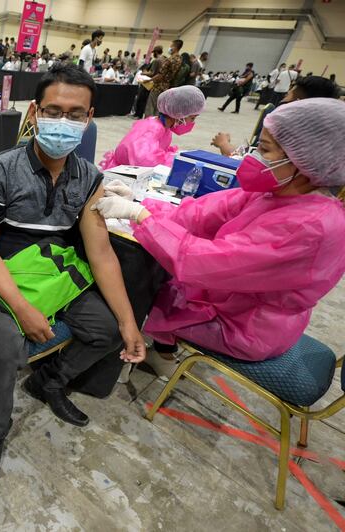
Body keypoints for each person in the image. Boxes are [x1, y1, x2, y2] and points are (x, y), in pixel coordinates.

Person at [0, 63, 146, 493]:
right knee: (6, 347)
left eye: (76, 114)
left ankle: (49, 381)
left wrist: (128, 321)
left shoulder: (88, 178)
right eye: (53, 110)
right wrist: (22, 310)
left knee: (107, 329)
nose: (64, 122)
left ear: (89, 117)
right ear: (33, 112)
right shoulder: (1, 170)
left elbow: (100, 254)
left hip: (50, 272)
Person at [92, 98, 345, 379]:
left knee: (140, 291)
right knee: (150, 276)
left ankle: (149, 357)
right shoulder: (276, 190)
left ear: (306, 161)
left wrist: (141, 217)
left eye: (264, 149)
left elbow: (203, 263)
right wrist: (141, 204)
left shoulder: (309, 227)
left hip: (245, 324)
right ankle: (162, 350)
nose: (252, 157)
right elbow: (200, 213)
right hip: (228, 297)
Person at [212, 75, 342, 156]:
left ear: (297, 103)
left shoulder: (285, 134)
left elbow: (248, 163)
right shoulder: (328, 146)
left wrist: (224, 144)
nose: (283, 100)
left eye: (287, 95)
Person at [100, 85, 205, 170]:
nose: (192, 123)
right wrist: (173, 160)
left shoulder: (166, 128)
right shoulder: (152, 129)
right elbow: (144, 161)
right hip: (122, 176)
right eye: (192, 118)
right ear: (179, 114)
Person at [144, 40, 183, 117]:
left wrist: (149, 80)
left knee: (151, 107)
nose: (170, 48)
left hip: (158, 86)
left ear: (175, 47)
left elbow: (160, 75)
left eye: (171, 46)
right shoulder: (179, 59)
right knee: (159, 108)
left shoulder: (170, 59)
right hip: (166, 87)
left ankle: (147, 125)